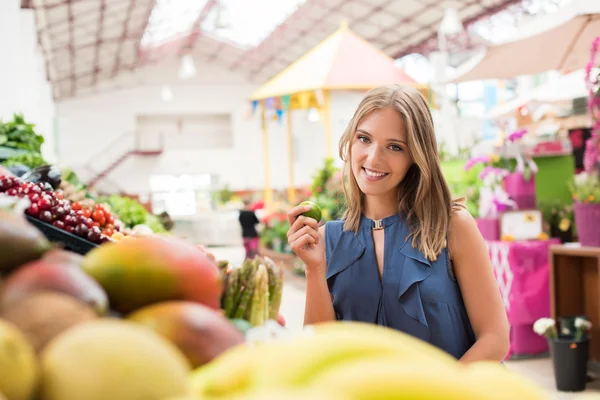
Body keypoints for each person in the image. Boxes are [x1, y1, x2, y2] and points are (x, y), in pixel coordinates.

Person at [286, 85, 509, 363]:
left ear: (416, 155)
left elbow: (495, 338)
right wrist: (314, 269)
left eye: (394, 146)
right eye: (364, 139)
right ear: (350, 141)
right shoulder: (326, 240)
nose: (373, 158)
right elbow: (321, 353)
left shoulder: (451, 227)